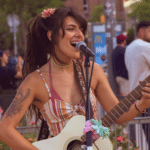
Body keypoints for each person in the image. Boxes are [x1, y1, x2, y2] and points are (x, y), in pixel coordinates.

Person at [0, 7, 150, 150]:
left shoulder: (92, 70)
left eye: (82, 30)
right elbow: (4, 129)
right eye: (71, 29)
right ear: (51, 35)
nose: (80, 34)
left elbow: (119, 115)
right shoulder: (35, 81)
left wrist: (141, 104)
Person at [125, 21, 150, 149]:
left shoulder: (129, 48)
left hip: (136, 97)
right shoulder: (145, 46)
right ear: (141, 31)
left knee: (147, 134)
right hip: (147, 95)